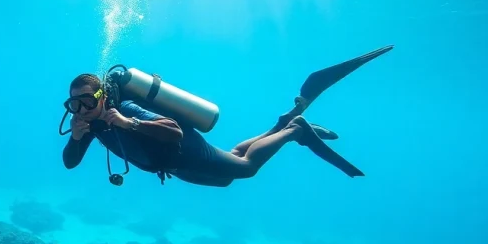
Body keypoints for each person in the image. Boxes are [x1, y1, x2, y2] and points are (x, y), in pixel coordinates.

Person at [61, 73, 341, 187]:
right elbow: (70, 162)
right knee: (226, 177)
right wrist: (75, 137)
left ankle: (295, 131)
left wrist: (128, 122)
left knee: (246, 168)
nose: (82, 109)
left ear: (102, 96)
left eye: (88, 101)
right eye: (75, 104)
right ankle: (282, 123)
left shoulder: (126, 109)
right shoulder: (90, 126)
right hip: (173, 165)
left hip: (187, 150)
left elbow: (174, 131)